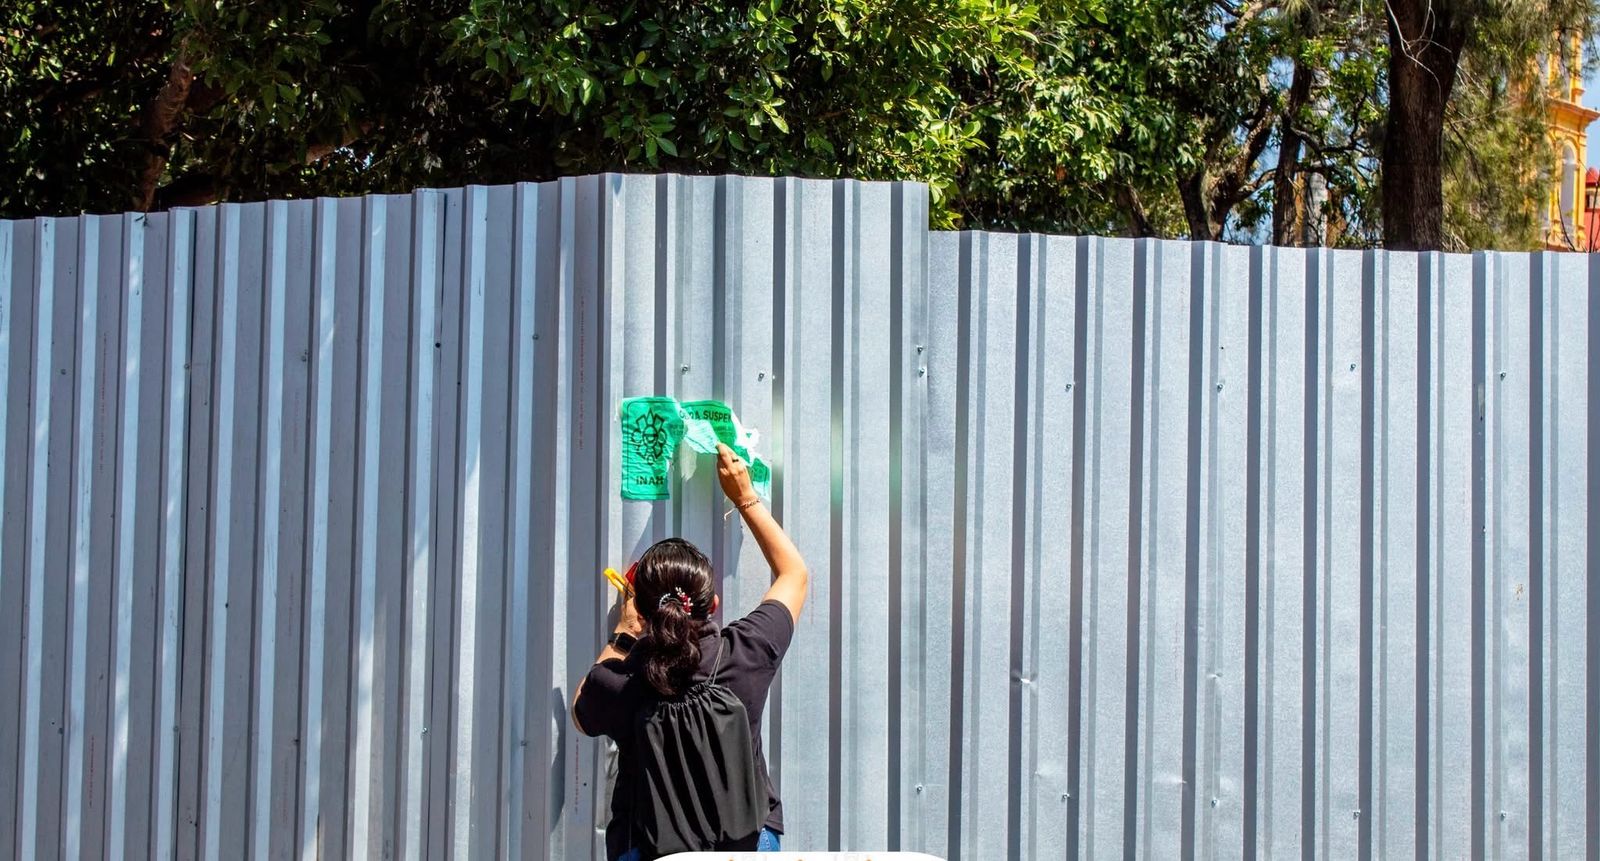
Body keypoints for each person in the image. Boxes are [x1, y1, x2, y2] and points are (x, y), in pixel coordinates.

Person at [572, 443, 809, 860]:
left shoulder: (621, 681)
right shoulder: (747, 651)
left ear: (643, 611)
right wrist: (744, 497)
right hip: (747, 847)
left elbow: (580, 712)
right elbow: (794, 573)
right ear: (712, 603)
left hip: (649, 850)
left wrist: (624, 634)